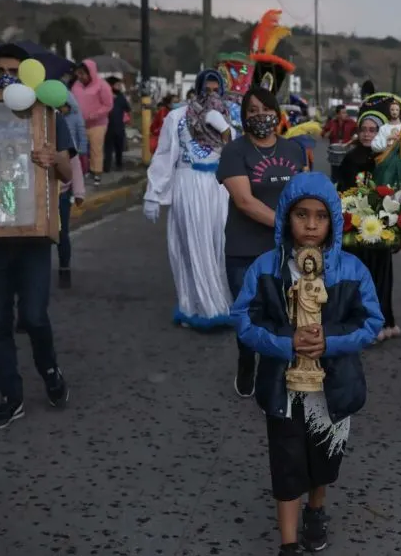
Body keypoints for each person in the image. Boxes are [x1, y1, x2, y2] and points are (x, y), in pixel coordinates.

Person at [230, 171, 382, 556]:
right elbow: (245, 319)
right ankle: (289, 542)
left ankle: (316, 508)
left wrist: (330, 340)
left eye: (320, 215)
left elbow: (370, 323)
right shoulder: (266, 267)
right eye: (301, 215)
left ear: (333, 219)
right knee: (285, 460)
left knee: (324, 457)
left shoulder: (351, 270)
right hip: (283, 386)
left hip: (334, 385)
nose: (311, 225)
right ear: (285, 217)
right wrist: (284, 342)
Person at [0, 44, 76, 429]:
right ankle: (10, 395)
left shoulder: (48, 113)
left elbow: (68, 171)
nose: (7, 77)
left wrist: (55, 158)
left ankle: (49, 370)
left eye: (14, 71)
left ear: (28, 74)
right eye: (0, 70)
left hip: (34, 234)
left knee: (33, 317)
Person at [218, 86, 309, 398]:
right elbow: (244, 202)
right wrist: (287, 224)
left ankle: (274, 374)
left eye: (266, 109)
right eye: (252, 110)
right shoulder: (235, 151)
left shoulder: (295, 150)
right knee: (249, 318)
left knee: (283, 315)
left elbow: (307, 193)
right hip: (245, 251)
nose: (260, 115)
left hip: (287, 252)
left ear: (277, 113)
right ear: (243, 117)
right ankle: (247, 360)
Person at [144, 69, 234, 329]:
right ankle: (193, 305)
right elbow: (164, 156)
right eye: (207, 88)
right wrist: (153, 194)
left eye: (216, 89)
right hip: (188, 184)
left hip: (218, 187)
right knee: (191, 244)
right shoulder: (177, 117)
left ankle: (222, 303)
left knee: (219, 244)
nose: (211, 94)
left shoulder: (228, 118)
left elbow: (236, 153)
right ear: (198, 87)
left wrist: (225, 128)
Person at [343, 93, 401, 341]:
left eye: (373, 129)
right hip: (358, 229)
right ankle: (362, 323)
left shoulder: (389, 157)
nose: (368, 134)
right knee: (361, 277)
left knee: (383, 275)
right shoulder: (351, 159)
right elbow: (344, 191)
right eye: (364, 129)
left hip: (384, 226)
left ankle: (385, 321)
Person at [56, 93, 87, 289]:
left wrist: (79, 192)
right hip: (36, 193)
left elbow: (73, 163)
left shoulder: (60, 125)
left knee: (62, 233)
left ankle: (64, 267)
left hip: (61, 192)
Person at [71, 59, 113, 185]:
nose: (80, 76)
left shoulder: (102, 85)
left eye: (83, 74)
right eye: (78, 73)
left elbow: (108, 105)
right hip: (80, 123)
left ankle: (97, 173)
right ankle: (83, 170)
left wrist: (93, 115)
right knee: (79, 148)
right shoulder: (76, 86)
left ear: (91, 73)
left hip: (97, 124)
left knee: (96, 149)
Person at [103, 77, 131, 173]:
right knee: (108, 148)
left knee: (119, 147)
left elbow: (127, 108)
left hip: (119, 126)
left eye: (120, 85)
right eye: (117, 85)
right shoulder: (105, 96)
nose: (119, 87)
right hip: (107, 126)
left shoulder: (121, 96)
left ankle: (119, 164)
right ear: (110, 86)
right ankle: (107, 167)